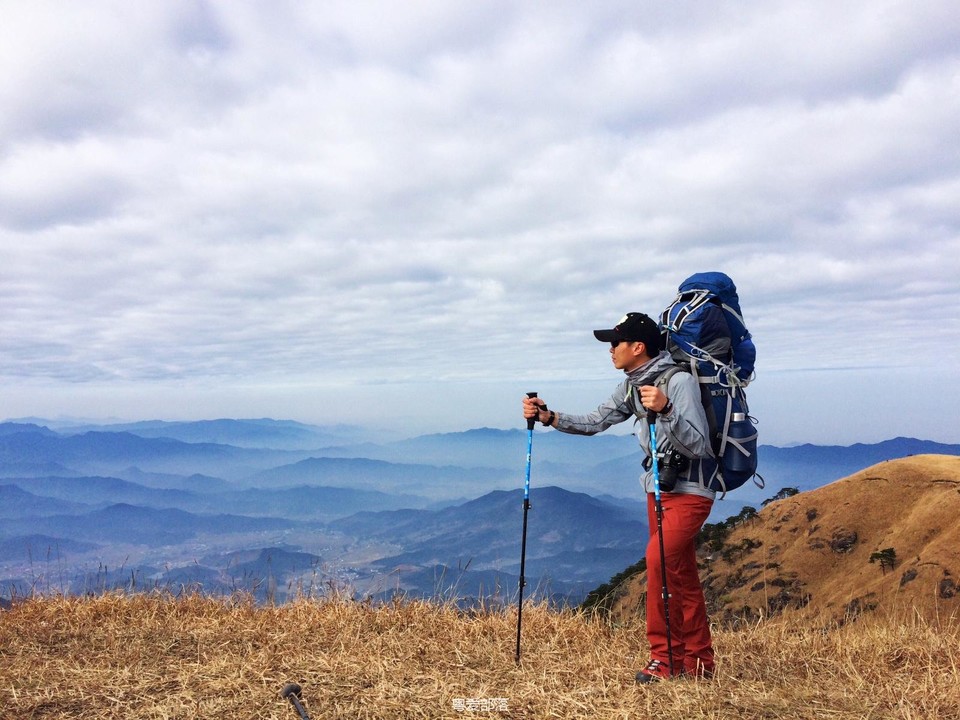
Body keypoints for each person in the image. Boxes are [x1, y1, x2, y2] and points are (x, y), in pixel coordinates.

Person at [521, 311, 716, 683]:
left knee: (658, 563)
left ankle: (665, 659)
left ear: (638, 347)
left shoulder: (678, 382)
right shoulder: (632, 386)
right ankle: (699, 663)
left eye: (616, 343)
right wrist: (549, 417)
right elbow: (596, 421)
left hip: (691, 490)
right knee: (680, 574)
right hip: (658, 488)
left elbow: (699, 445)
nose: (610, 350)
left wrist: (667, 409)